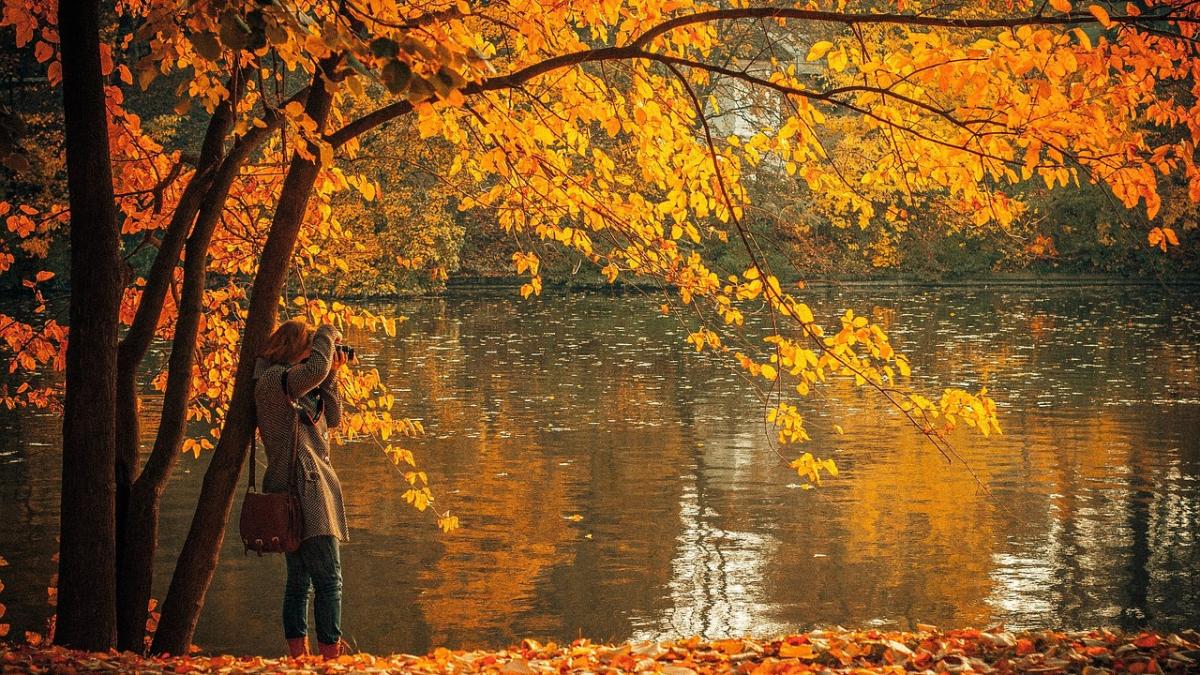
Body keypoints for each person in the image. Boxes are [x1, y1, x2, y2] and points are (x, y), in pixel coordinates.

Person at [253, 319, 350, 659]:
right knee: (328, 580)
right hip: (300, 488)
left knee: (302, 581)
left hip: (308, 486)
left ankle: (301, 657)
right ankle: (330, 657)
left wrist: (333, 374)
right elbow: (315, 369)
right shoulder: (273, 381)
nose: (315, 355)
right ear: (296, 348)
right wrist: (326, 332)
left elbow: (334, 418)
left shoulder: (299, 387)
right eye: (310, 346)